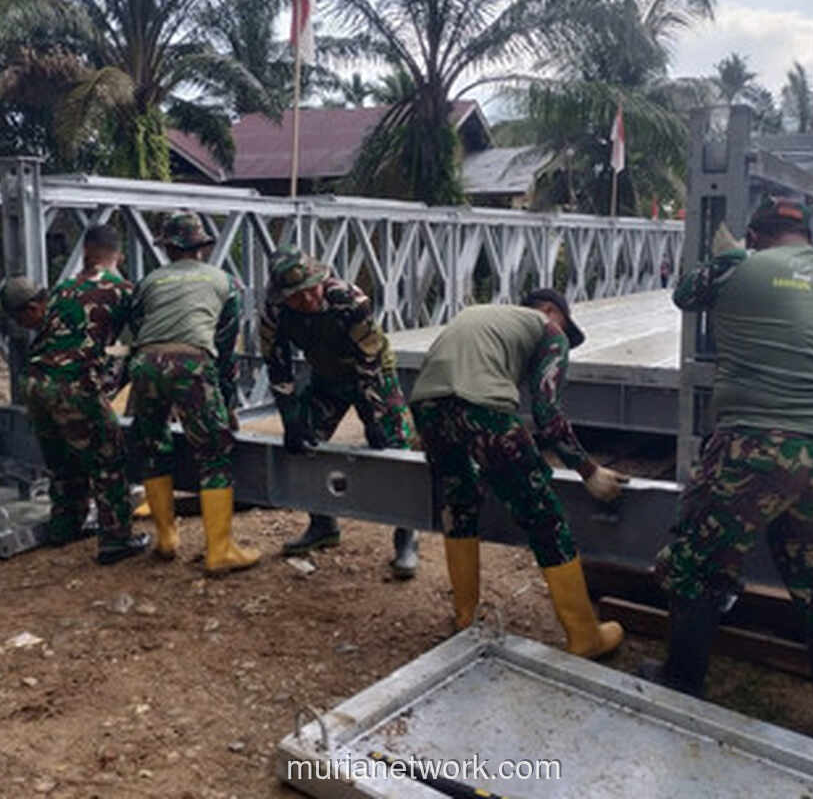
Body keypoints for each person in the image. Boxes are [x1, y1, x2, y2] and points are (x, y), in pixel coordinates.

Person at [643, 198, 813, 746]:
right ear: (806, 235)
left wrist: (729, 258)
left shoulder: (739, 266)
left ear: (756, 236)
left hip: (753, 442)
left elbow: (684, 296)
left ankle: (681, 682)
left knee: (699, 564)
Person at [409, 290, 629, 659]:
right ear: (549, 311)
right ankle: (585, 635)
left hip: (428, 408)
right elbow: (547, 412)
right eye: (565, 326)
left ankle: (466, 619)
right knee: (545, 516)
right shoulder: (547, 328)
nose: (564, 339)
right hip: (484, 411)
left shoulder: (481, 315)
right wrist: (588, 471)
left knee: (459, 506)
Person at [259, 245, 419, 578]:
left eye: (309, 291)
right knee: (307, 443)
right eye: (295, 297)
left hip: (372, 373)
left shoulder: (350, 301)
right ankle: (322, 524)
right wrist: (290, 416)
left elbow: (369, 360)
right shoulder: (275, 312)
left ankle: (407, 536)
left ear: (320, 280)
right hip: (326, 375)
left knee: (395, 447)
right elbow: (277, 364)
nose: (305, 301)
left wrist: (374, 415)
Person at [0, 225, 150, 565]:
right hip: (74, 384)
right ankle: (115, 540)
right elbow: (143, 338)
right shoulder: (124, 290)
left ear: (84, 256)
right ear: (118, 257)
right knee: (108, 459)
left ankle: (64, 526)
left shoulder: (60, 290)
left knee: (62, 460)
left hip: (35, 382)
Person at [130, 213, 260, 575]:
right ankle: (220, 550)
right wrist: (227, 403)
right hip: (191, 362)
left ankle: (167, 540)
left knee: (153, 444)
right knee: (214, 453)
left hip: (145, 364)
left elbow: (137, 326)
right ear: (202, 247)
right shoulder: (225, 282)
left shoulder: (149, 281)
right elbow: (224, 347)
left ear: (168, 248)